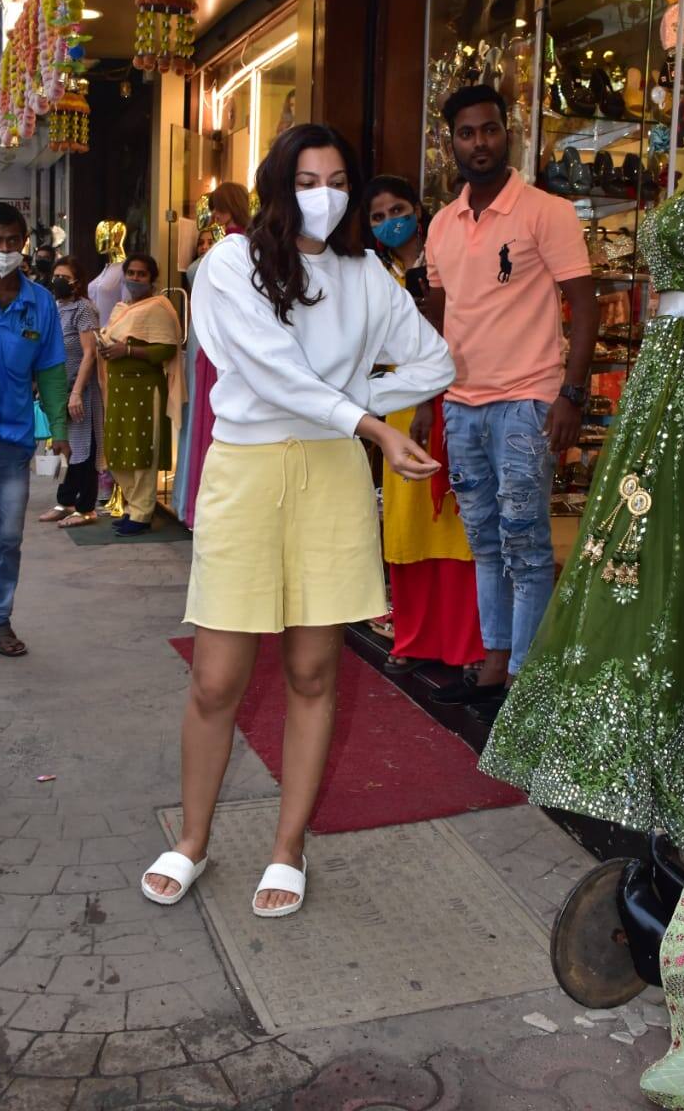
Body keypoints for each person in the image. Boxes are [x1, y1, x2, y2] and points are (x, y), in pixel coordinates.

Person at [141, 123, 455, 917]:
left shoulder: (365, 275)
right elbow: (268, 370)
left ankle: (288, 847)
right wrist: (369, 422)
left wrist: (357, 411)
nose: (326, 194)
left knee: (313, 672)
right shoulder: (228, 263)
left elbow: (435, 362)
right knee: (217, 677)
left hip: (330, 473)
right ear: (278, 186)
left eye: (338, 178)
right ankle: (192, 839)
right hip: (246, 472)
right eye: (307, 179)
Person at [479, 44, 684, 850]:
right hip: (666, 378)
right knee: (637, 549)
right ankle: (621, 747)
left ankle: (674, 754)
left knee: (677, 552)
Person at [414, 84, 598, 708]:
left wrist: (569, 397)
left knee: (526, 539)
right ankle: (495, 661)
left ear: (507, 133)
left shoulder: (547, 212)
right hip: (461, 406)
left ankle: (526, 675)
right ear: (452, 141)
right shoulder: (440, 225)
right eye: (466, 133)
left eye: (489, 130)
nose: (479, 143)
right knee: (484, 540)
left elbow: (584, 307)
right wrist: (424, 401)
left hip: (527, 401)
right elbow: (438, 323)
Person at [363, 175, 483, 676]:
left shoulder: (445, 262)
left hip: (450, 400)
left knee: (457, 525)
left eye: (398, 210)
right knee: (407, 523)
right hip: (396, 408)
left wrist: (430, 401)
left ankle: (464, 645)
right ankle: (413, 638)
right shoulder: (370, 272)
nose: (391, 222)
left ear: (417, 209)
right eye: (377, 216)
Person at [0, 203, 70, 656]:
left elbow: (50, 370)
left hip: (12, 439)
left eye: (12, 240)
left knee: (8, 537)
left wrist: (57, 427)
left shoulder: (41, 303)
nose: (4, 249)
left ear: (24, 242)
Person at [98, 254, 185, 536]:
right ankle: (132, 507)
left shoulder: (160, 307)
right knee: (120, 450)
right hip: (120, 388)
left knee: (142, 451)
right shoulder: (121, 308)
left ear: (152, 279)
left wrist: (129, 351)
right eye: (131, 273)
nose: (135, 278)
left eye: (141, 274)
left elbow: (167, 349)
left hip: (145, 389)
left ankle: (143, 513)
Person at [185, 186, 251, 527]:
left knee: (215, 423)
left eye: (217, 209)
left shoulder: (233, 246)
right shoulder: (243, 245)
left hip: (220, 343)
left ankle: (211, 508)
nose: (214, 216)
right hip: (217, 339)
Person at [39, 256, 103, 528]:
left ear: (77, 282)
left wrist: (77, 392)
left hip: (82, 390)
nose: (58, 282)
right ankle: (66, 502)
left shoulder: (84, 309)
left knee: (83, 449)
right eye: (56, 276)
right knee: (66, 446)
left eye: (65, 277)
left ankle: (86, 507)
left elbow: (90, 353)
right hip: (59, 390)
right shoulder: (54, 307)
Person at [172, 227, 215, 525]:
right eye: (200, 242)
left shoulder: (228, 254)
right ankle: (186, 498)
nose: (204, 246)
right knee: (194, 414)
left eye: (209, 242)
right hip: (200, 336)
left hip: (211, 338)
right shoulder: (203, 265)